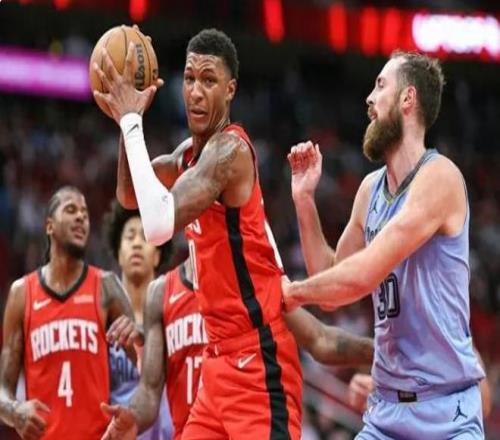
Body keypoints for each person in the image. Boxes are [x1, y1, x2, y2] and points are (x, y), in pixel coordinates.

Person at [93, 28, 303, 438]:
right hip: (217, 364)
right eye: (189, 79)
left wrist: (132, 121)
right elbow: (129, 195)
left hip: (258, 363)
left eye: (209, 80)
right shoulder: (187, 156)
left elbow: (157, 226)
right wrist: (126, 118)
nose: (196, 92)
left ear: (230, 90)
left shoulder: (230, 152)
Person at [282, 51, 486, 439]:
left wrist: (291, 293)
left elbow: (365, 273)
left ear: (408, 98)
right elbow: (330, 286)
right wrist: (304, 200)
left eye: (380, 86)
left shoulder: (439, 177)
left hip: (446, 415)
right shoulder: (370, 189)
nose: (369, 99)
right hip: (386, 413)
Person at [101, 253, 374, 440]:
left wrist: (384, 350)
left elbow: (320, 339)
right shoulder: (161, 292)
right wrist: (133, 416)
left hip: (249, 425)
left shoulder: (251, 278)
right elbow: (149, 391)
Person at [0, 186, 139, 440]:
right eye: (71, 210)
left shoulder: (106, 285)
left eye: (85, 213)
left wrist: (140, 335)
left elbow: (148, 366)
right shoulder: (22, 293)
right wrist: (14, 410)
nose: (81, 218)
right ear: (49, 226)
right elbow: (2, 389)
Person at [103, 200, 173, 439]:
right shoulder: (101, 319)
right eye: (129, 236)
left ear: (157, 255)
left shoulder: (173, 313)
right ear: (118, 253)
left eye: (145, 237)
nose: (136, 243)